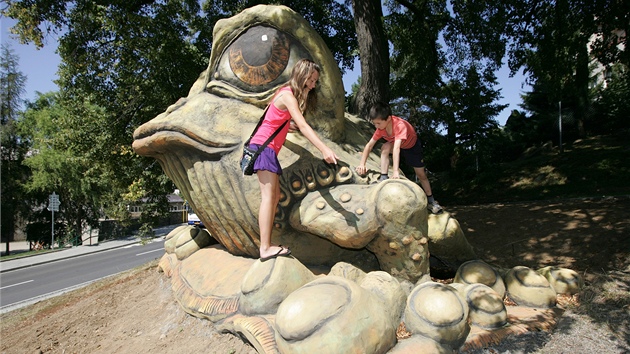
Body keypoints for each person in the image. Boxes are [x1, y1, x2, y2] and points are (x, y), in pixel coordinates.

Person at [248, 58, 339, 261]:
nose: (314, 84)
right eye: (312, 79)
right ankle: (264, 248)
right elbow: (304, 126)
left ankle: (267, 244)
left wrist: (287, 123)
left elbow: (269, 116)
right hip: (264, 149)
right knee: (269, 198)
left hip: (267, 149)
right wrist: (324, 149)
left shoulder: (288, 94)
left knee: (274, 196)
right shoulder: (287, 94)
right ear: (303, 75)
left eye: (315, 81)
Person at [355, 102, 443, 214]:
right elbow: (369, 145)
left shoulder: (399, 125)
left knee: (421, 175)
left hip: (412, 147)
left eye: (378, 123)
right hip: (397, 144)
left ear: (388, 119)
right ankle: (383, 176)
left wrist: (396, 171)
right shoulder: (381, 129)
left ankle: (431, 201)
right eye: (374, 123)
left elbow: (397, 148)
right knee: (385, 147)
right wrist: (362, 164)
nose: (376, 126)